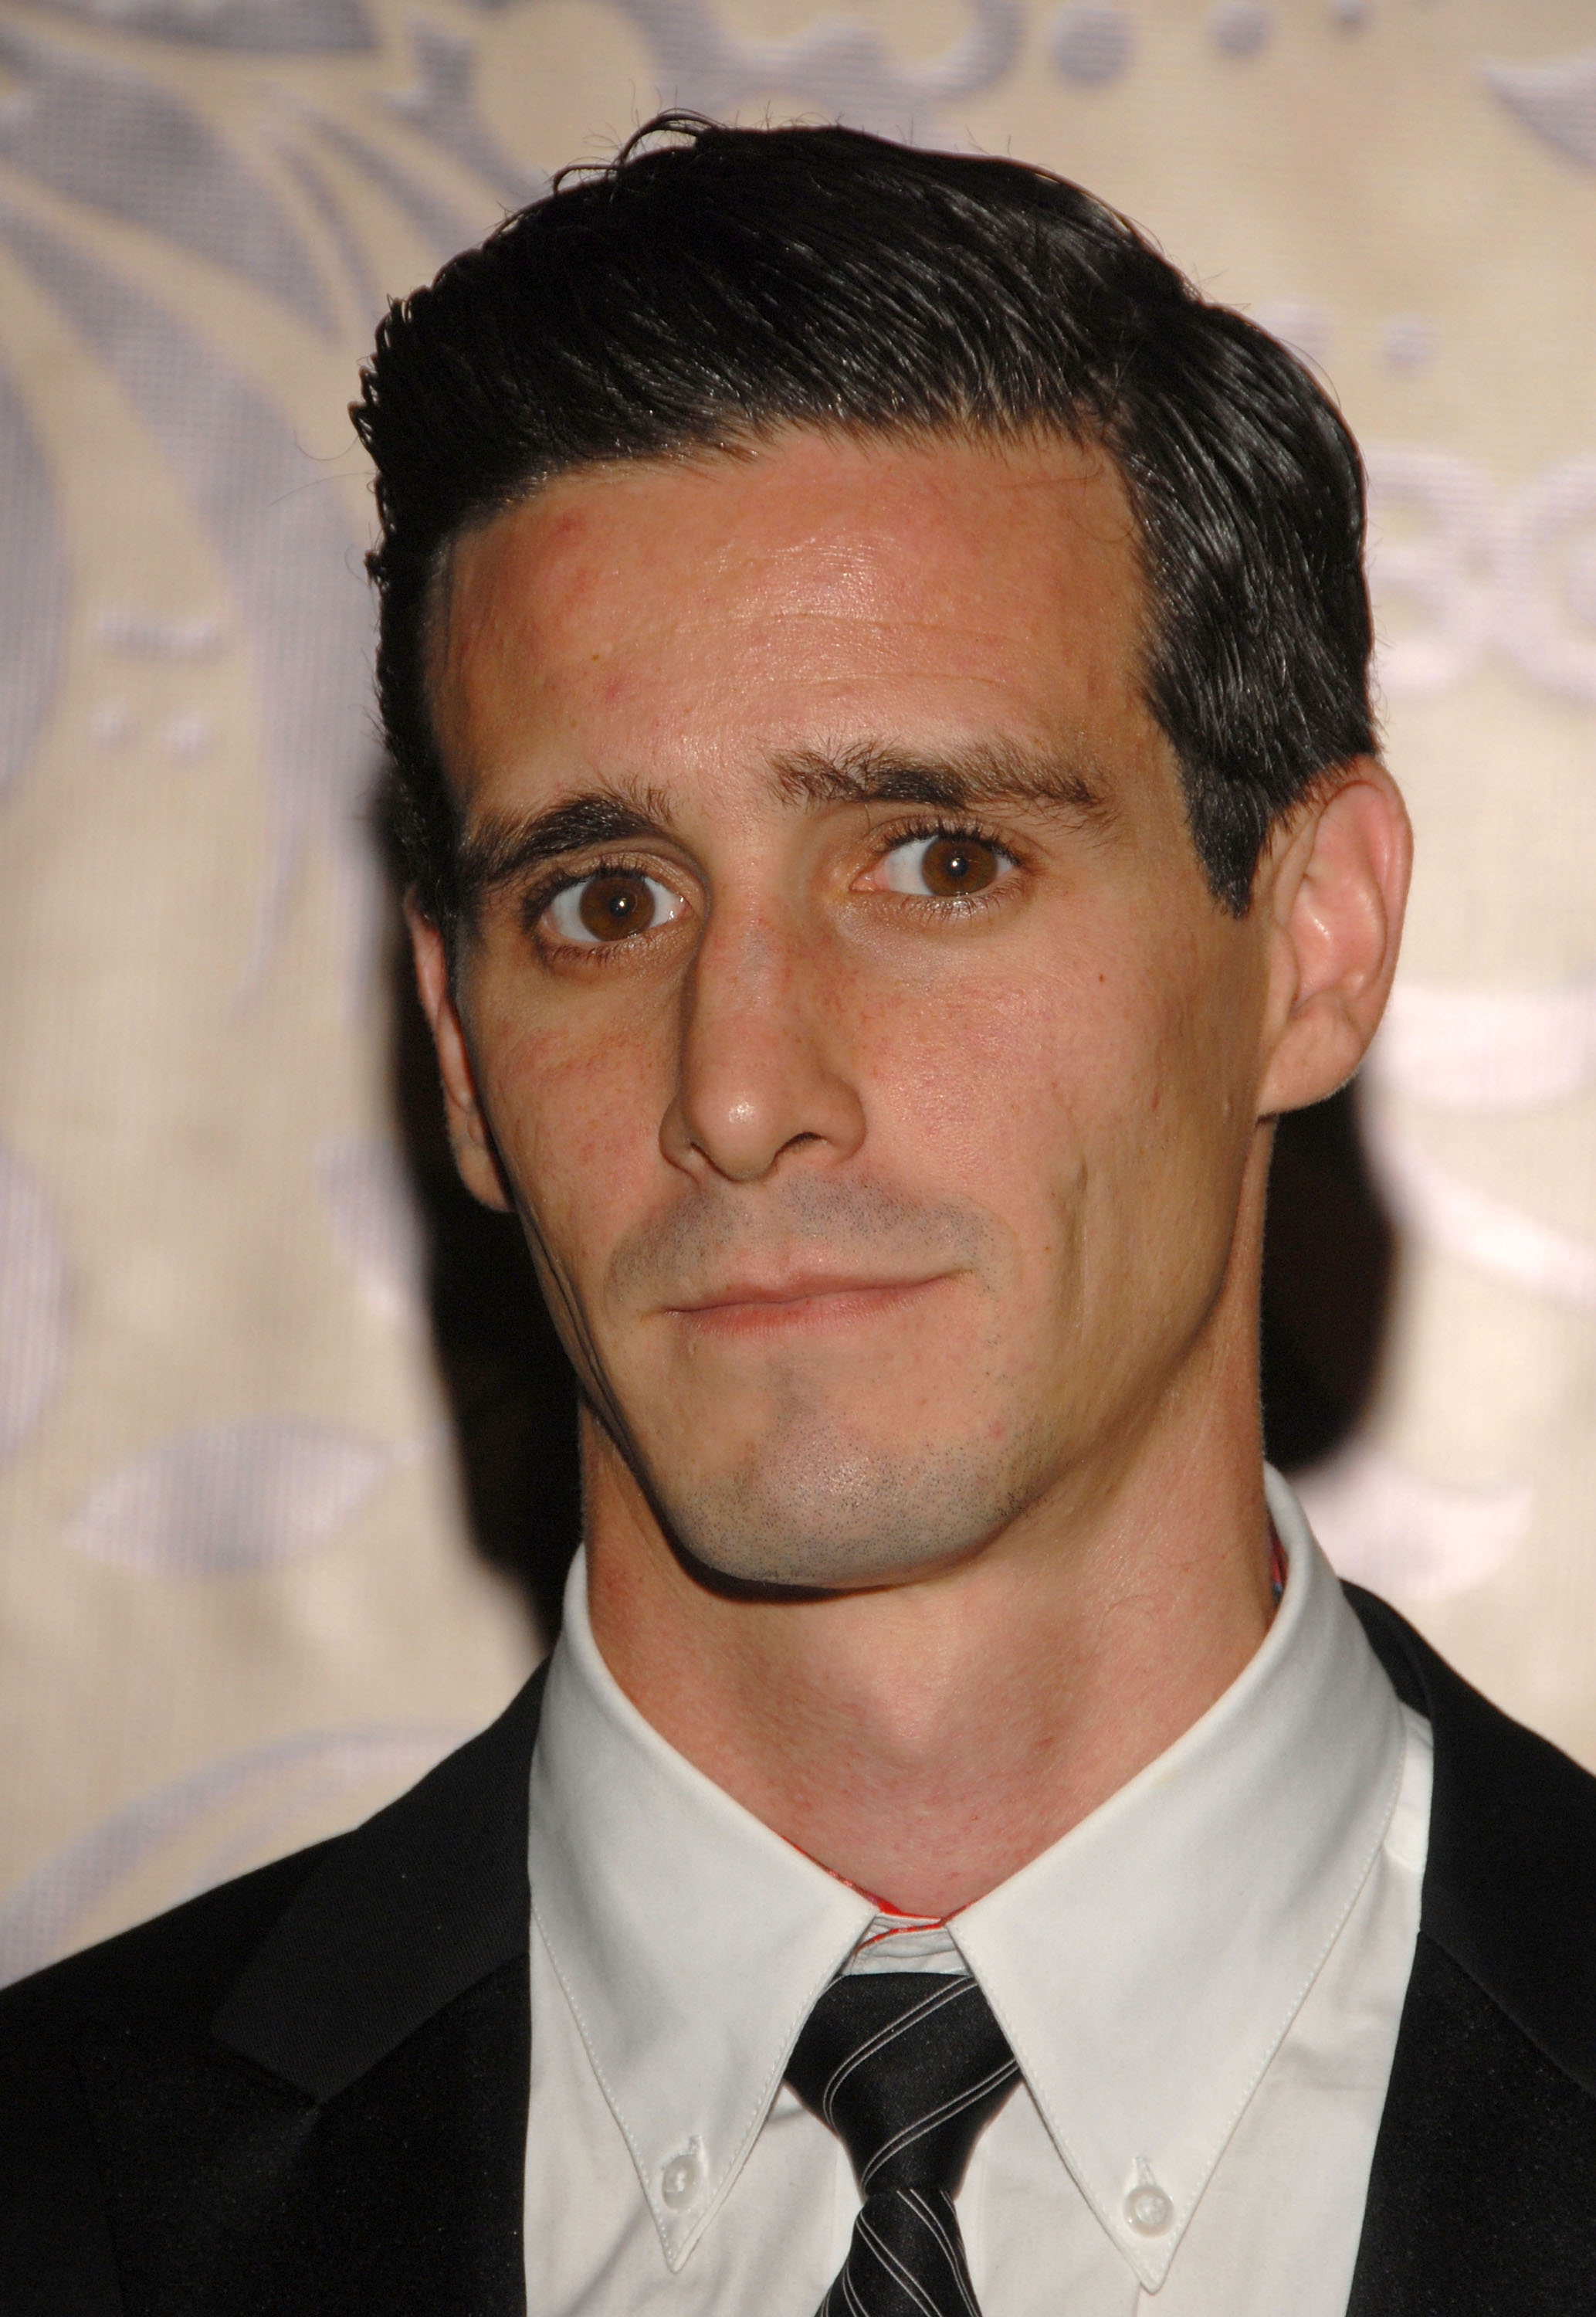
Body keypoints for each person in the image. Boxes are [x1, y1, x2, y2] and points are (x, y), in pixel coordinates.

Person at [4, 114, 1594, 2317]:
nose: (737, 1089)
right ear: (459, 1049)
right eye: (601, 898)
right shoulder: (54, 2188)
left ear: (1311, 942)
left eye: (937, 860)